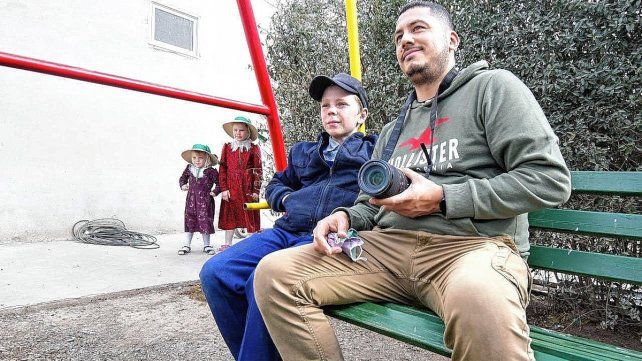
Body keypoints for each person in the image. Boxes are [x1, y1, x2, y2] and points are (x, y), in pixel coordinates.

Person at [253, 2, 572, 360]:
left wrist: (443, 198)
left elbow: (549, 180)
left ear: (451, 40)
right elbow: (366, 205)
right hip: (387, 251)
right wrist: (344, 217)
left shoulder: (492, 88)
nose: (406, 39)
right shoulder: (392, 130)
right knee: (275, 274)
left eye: (418, 29)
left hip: (470, 249)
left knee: (477, 297)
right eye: (399, 36)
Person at [199, 73, 377, 361]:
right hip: (286, 231)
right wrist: (286, 198)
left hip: (325, 238)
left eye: (342, 105)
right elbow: (276, 184)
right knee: (215, 272)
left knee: (262, 278)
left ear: (361, 115)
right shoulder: (304, 152)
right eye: (325, 105)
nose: (331, 110)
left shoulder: (374, 150)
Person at [217, 116, 262, 252]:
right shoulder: (227, 147)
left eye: (241, 130)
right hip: (231, 188)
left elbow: (258, 170)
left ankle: (251, 244)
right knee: (230, 215)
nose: (238, 133)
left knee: (250, 214)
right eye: (235, 130)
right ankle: (228, 244)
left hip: (248, 188)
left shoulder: (253, 149)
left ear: (247, 131)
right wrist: (224, 189)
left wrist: (256, 190)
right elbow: (223, 168)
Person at [178, 144, 220, 255]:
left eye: (200, 158)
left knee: (205, 221)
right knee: (190, 220)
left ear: (207, 158)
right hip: (191, 200)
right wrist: (183, 185)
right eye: (194, 158)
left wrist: (215, 192)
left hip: (205, 201)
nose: (197, 160)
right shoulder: (189, 168)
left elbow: (219, 183)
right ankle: (186, 244)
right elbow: (182, 178)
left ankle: (207, 245)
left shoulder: (211, 171)